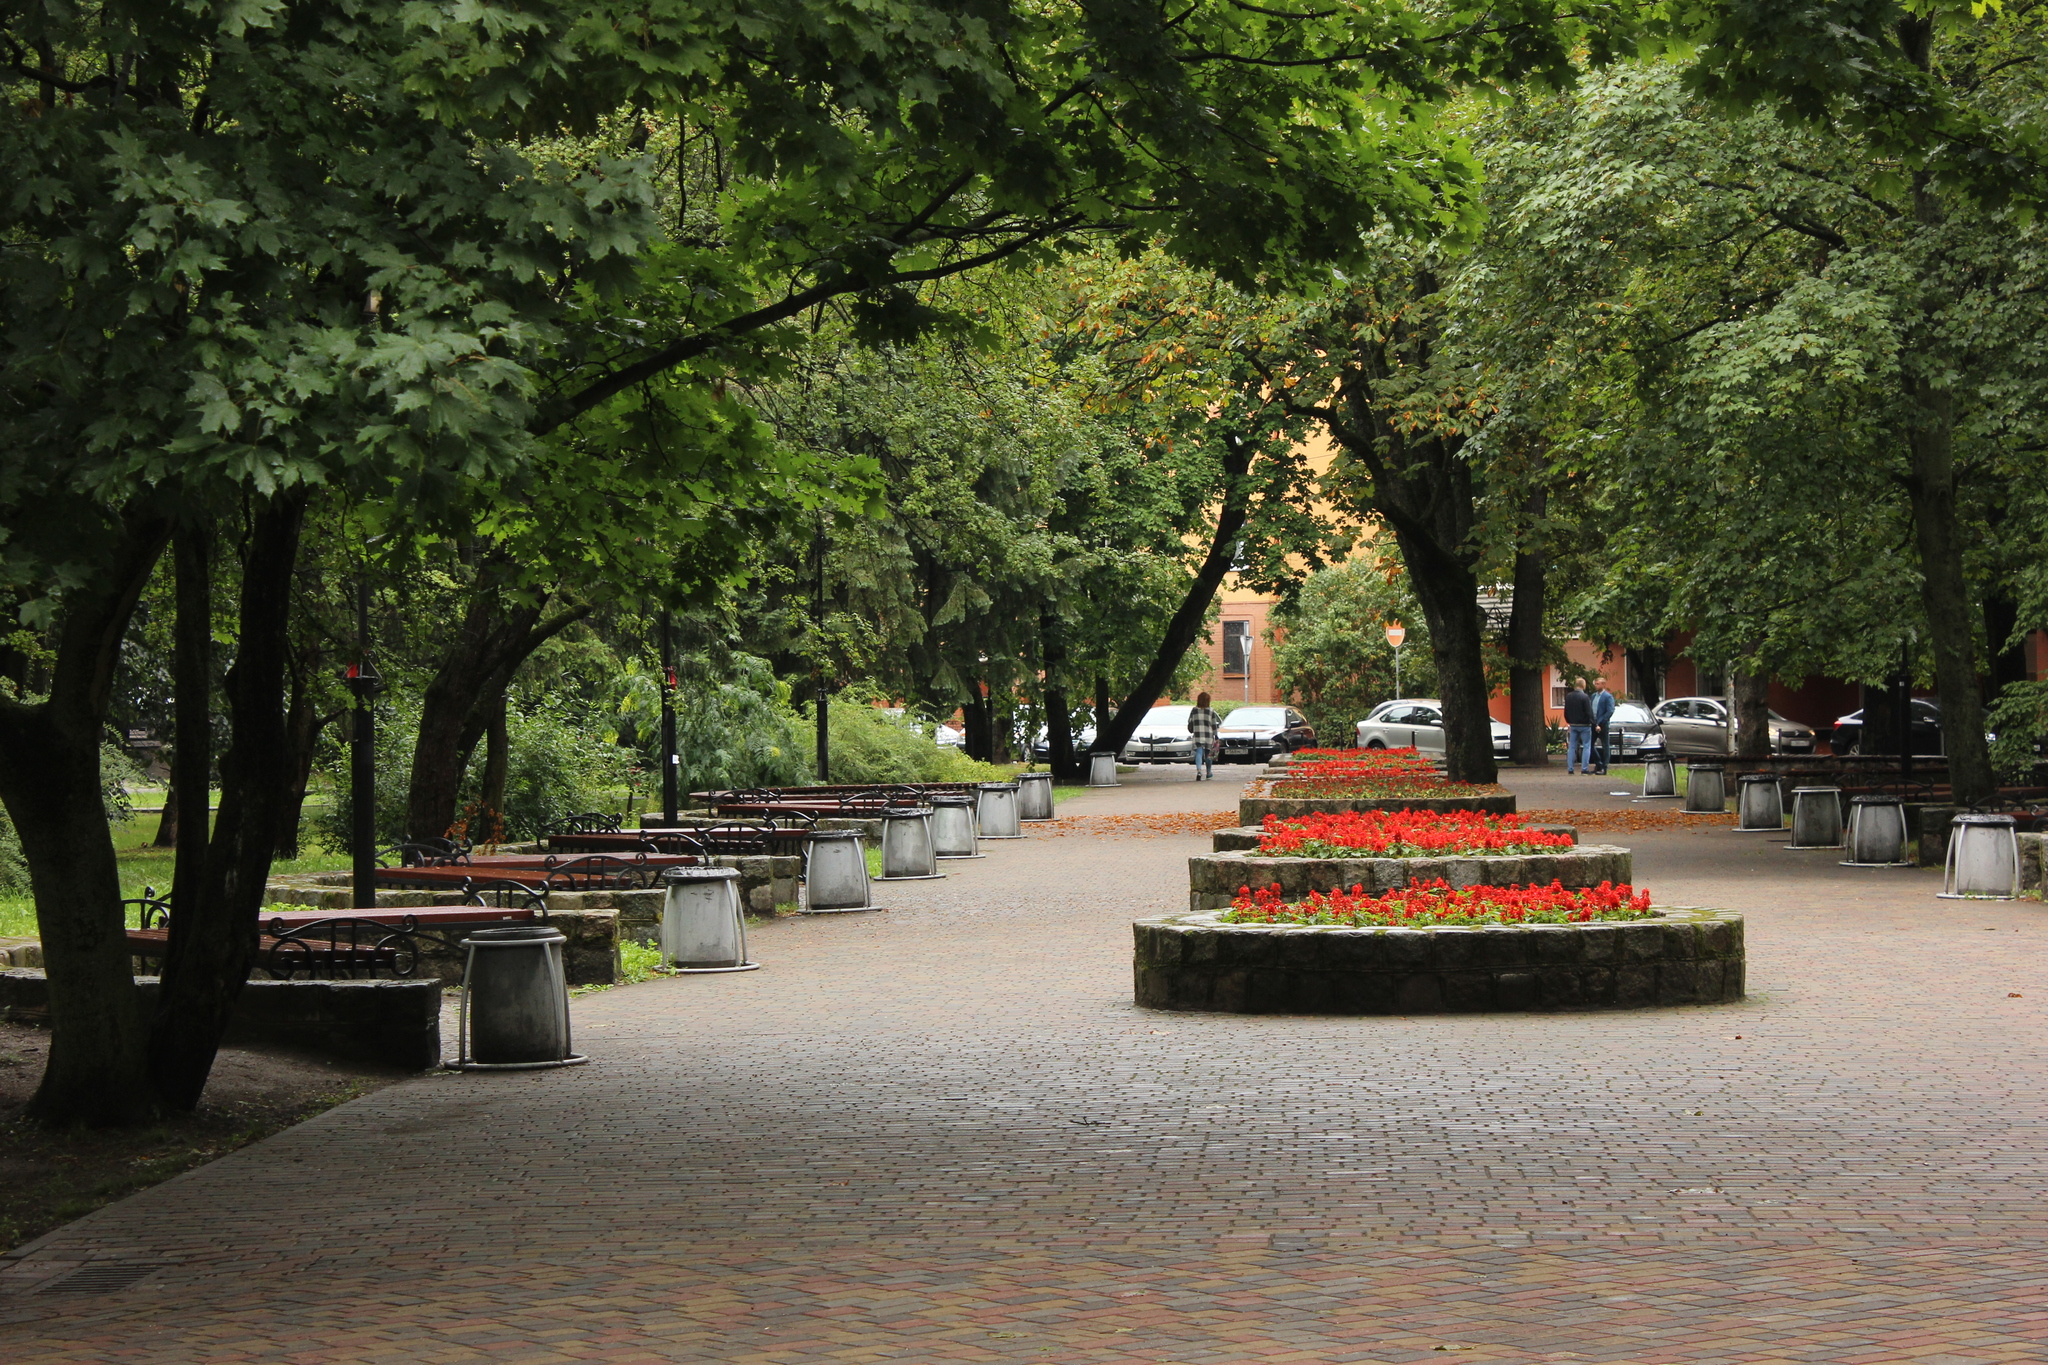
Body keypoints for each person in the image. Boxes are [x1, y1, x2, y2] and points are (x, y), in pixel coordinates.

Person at [1187, 692, 1221, 781]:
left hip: (1198, 734)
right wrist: (1216, 735)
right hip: (1208, 735)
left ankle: (1199, 771)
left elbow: (1190, 722)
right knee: (1208, 755)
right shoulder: (1211, 710)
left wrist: (1191, 729)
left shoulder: (1194, 710)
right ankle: (1209, 772)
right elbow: (1214, 724)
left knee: (1199, 753)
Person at [1563, 682, 1594, 774]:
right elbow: (1589, 711)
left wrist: (1569, 720)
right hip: (1585, 725)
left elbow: (1566, 711)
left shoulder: (1568, 696)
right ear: (1583, 685)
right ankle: (1584, 768)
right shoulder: (1584, 697)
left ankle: (1570, 768)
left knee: (1572, 746)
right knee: (1586, 746)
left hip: (1573, 724)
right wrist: (1593, 722)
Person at [1591, 680, 1617, 775]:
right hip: (1594, 723)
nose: (1596, 685)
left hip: (1603, 724)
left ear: (1603, 684)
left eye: (1598, 684)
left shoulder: (1607, 696)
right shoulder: (1594, 696)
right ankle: (1598, 763)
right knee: (1590, 745)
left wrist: (1602, 723)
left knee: (1605, 745)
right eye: (1596, 684)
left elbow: (1610, 710)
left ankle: (1604, 767)